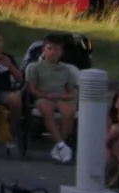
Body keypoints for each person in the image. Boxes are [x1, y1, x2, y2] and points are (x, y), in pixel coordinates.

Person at [26, 35, 80, 164]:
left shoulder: (66, 70)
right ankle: (61, 145)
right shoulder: (35, 67)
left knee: (69, 112)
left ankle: (60, 145)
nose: (52, 52)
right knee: (46, 110)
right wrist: (44, 95)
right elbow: (32, 89)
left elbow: (71, 90)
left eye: (56, 49)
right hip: (44, 96)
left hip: (61, 96)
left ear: (61, 52)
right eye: (49, 48)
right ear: (44, 50)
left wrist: (62, 96)